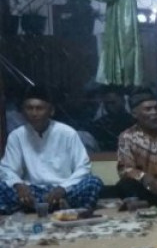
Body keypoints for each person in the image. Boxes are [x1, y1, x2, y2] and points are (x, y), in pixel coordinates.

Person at [0, 86, 103, 214]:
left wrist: (63, 188)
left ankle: (38, 207)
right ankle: (53, 207)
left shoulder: (67, 133)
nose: (34, 113)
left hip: (63, 190)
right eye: (29, 108)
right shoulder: (17, 136)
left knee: (93, 182)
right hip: (31, 191)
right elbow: (8, 169)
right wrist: (18, 185)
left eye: (39, 108)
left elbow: (83, 167)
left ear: (51, 111)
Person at [89, 85, 135, 150]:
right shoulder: (99, 125)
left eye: (113, 103)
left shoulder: (134, 123)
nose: (109, 107)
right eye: (107, 103)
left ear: (123, 101)